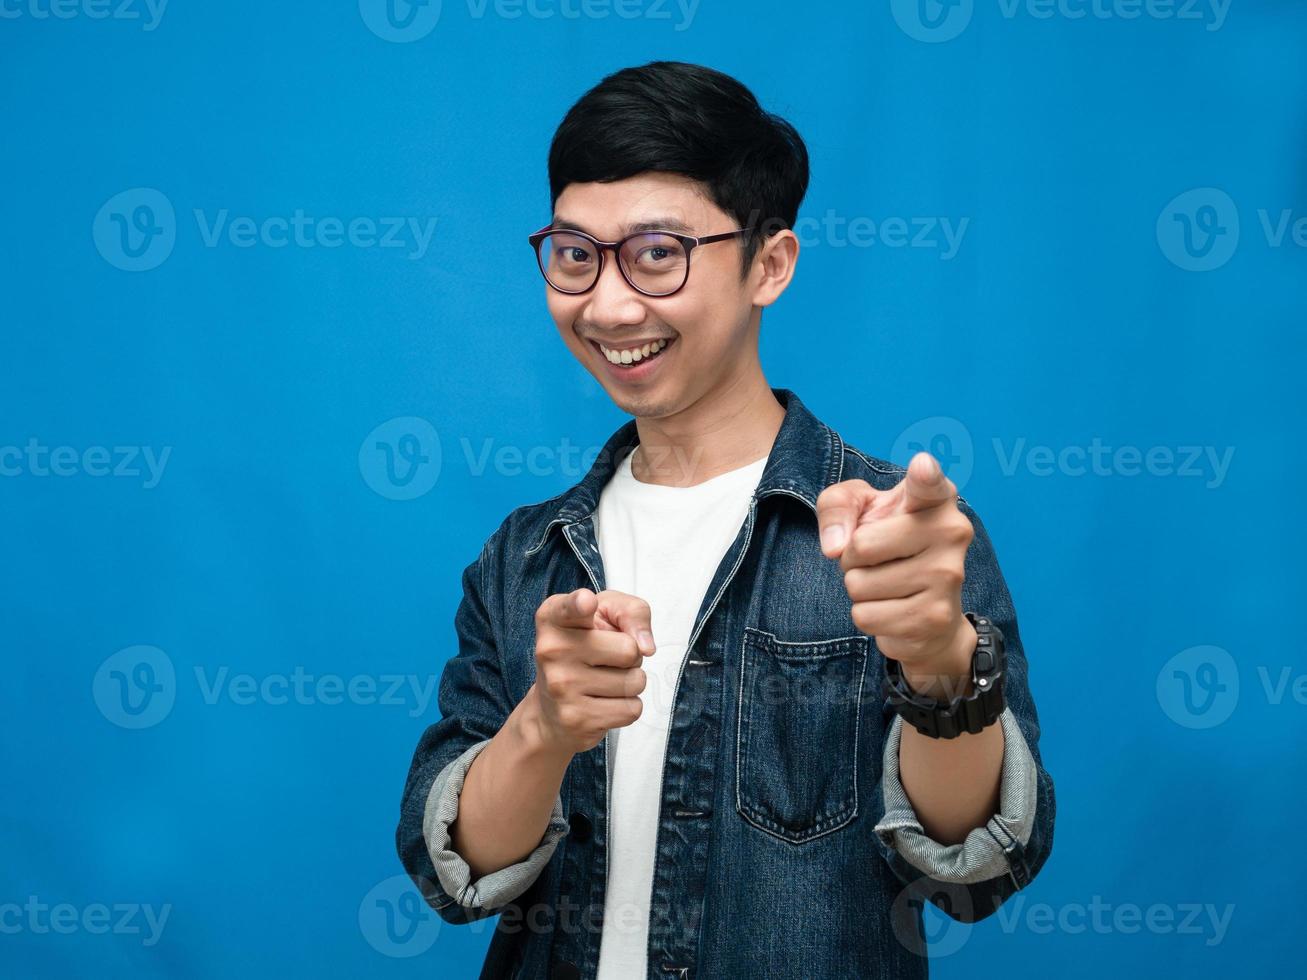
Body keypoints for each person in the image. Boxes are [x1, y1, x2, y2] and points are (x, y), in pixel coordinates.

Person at [396, 60, 1055, 980]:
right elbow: (453, 871)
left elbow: (972, 871)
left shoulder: (891, 540)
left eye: (658, 253)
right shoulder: (523, 558)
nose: (609, 303)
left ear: (769, 264)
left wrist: (941, 661)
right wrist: (541, 728)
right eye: (576, 253)